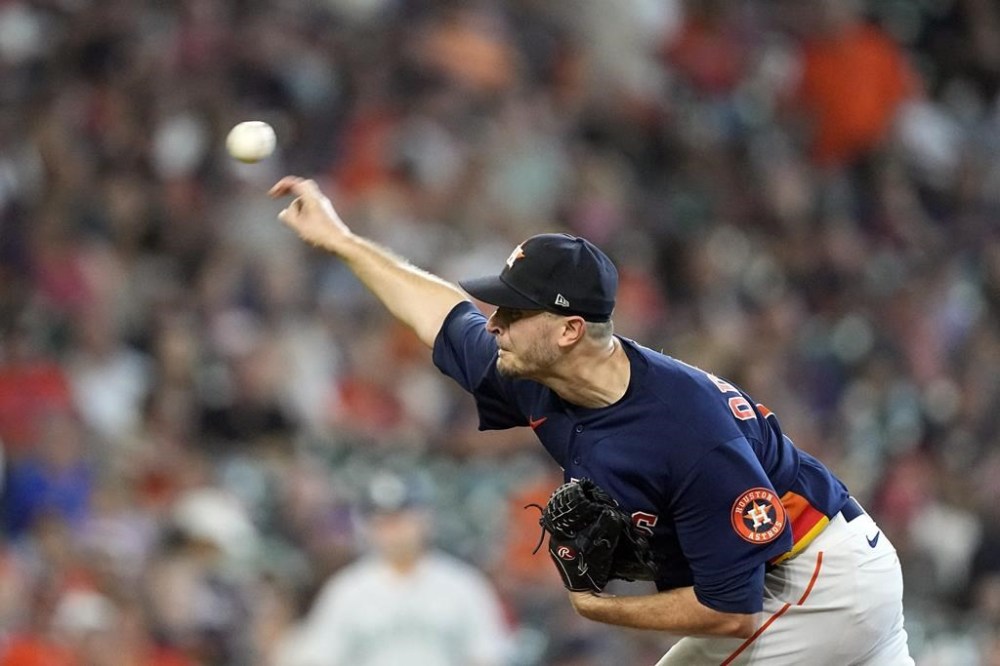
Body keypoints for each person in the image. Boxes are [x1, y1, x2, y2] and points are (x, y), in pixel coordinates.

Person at [268, 176, 914, 665]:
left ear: (571, 329)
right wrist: (342, 241)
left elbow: (731, 613)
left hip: (817, 578)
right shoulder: (529, 365)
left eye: (514, 313)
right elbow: (439, 311)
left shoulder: (685, 434)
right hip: (822, 573)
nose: (494, 324)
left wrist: (598, 607)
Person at [274, 471, 511, 666]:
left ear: (425, 519)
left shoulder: (463, 585)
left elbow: (487, 655)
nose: (394, 531)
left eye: (402, 518)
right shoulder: (347, 590)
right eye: (384, 522)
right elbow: (320, 657)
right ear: (369, 528)